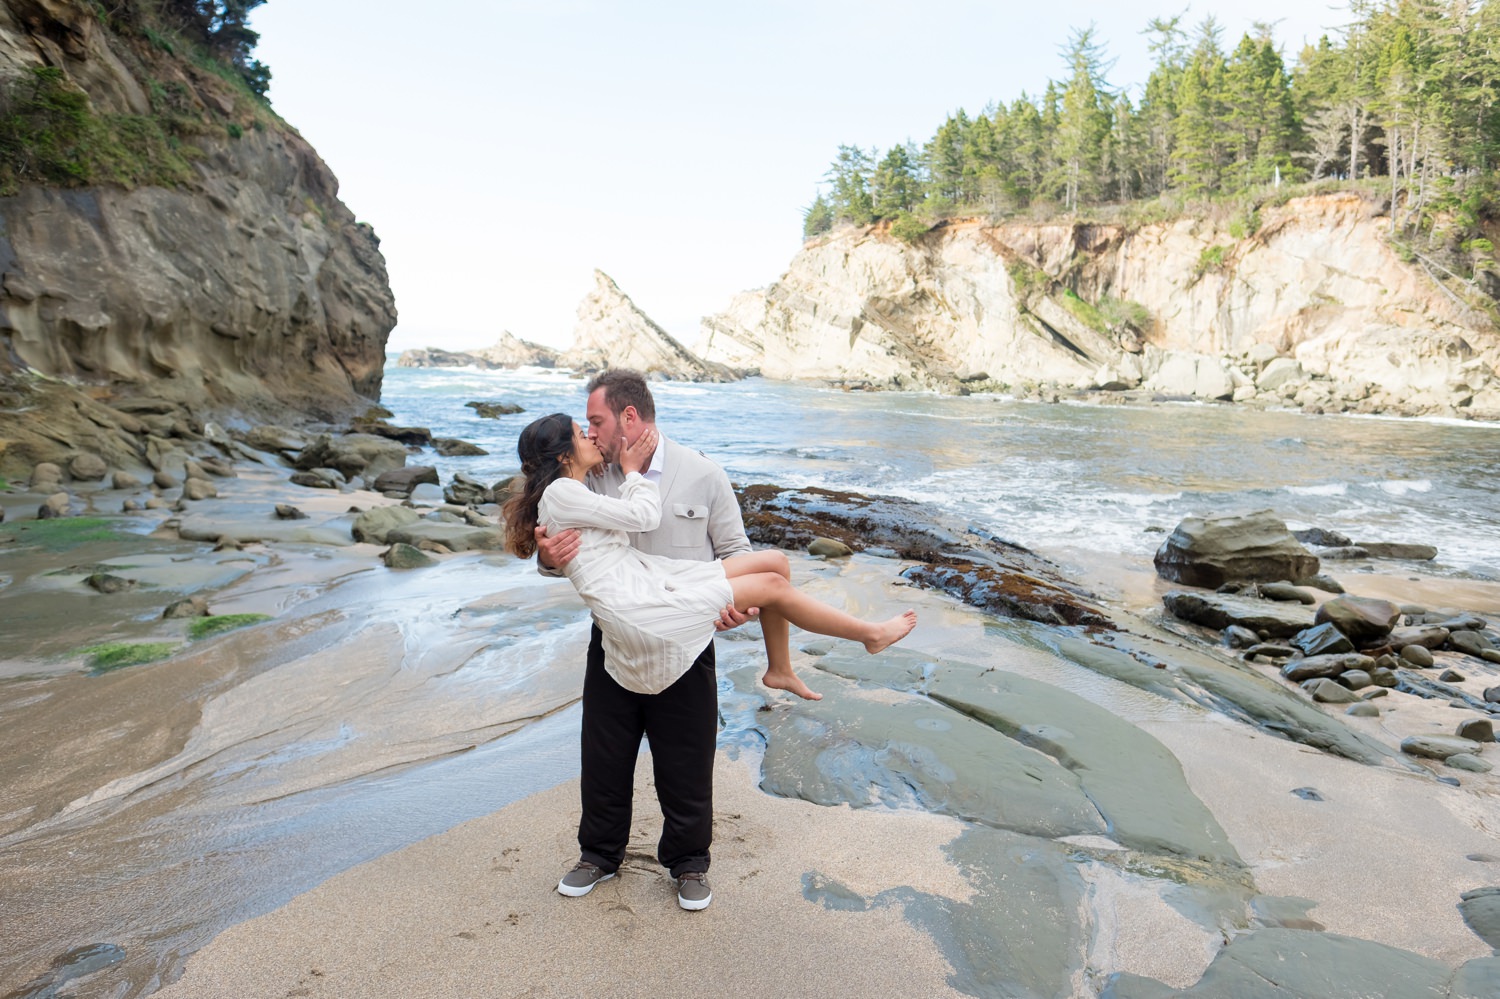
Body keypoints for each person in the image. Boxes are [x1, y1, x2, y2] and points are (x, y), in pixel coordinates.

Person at [517, 370, 912, 911]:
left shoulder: (702, 473)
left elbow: (733, 548)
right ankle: (598, 855)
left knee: (688, 760)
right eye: (584, 425)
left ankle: (689, 864)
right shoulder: (593, 477)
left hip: (688, 622)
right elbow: (558, 548)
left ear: (628, 418)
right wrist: (547, 556)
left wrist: (739, 609)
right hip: (618, 633)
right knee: (605, 759)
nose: (591, 431)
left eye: (597, 421)